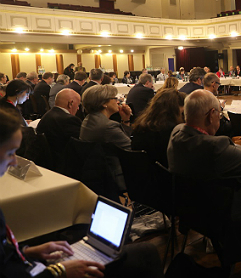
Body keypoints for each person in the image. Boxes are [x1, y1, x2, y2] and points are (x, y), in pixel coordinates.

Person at [0, 110, 165, 278]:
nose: (14, 161)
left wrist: (28, 251)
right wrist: (60, 272)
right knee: (146, 252)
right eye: (9, 153)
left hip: (26, 263)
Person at [167, 89, 241, 264]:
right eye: (219, 115)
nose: (220, 119)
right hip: (224, 218)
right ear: (211, 114)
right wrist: (233, 147)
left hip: (190, 214)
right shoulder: (216, 148)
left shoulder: (176, 134)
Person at [132, 88, 185, 167]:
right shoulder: (173, 133)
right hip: (164, 176)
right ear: (176, 110)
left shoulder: (140, 126)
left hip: (143, 175)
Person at [80, 85, 132, 150]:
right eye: (115, 98)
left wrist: (126, 119)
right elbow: (130, 148)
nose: (118, 102)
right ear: (104, 103)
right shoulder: (109, 126)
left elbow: (122, 140)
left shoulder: (88, 119)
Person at [37, 89, 82, 163]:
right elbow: (79, 147)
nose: (78, 108)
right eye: (78, 105)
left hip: (45, 161)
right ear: (70, 103)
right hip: (62, 164)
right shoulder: (70, 120)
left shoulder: (47, 115)